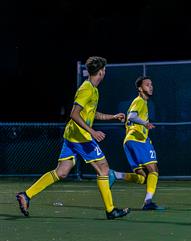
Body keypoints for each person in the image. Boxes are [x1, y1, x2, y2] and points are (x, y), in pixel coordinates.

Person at [16, 56, 130, 220]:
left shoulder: (93, 89)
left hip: (72, 136)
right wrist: (92, 132)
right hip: (82, 138)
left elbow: (90, 114)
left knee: (61, 172)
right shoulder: (86, 89)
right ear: (100, 72)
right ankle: (111, 210)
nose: (105, 72)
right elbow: (74, 114)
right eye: (104, 69)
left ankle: (26, 195)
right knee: (104, 168)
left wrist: (113, 116)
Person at [109, 76, 164, 210]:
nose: (150, 87)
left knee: (143, 178)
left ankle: (116, 175)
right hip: (138, 140)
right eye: (147, 85)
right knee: (154, 170)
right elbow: (132, 116)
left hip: (129, 141)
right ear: (140, 89)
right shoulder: (139, 101)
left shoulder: (142, 102)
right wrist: (146, 123)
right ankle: (148, 202)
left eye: (151, 84)